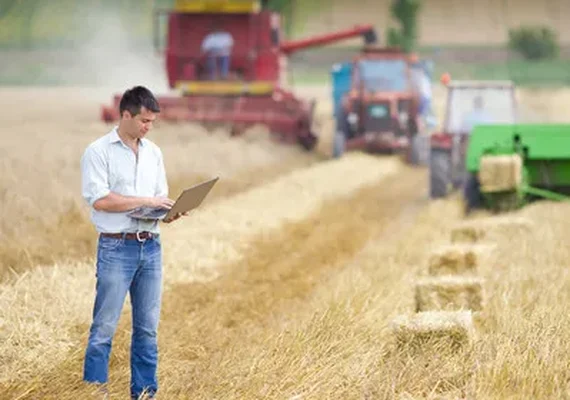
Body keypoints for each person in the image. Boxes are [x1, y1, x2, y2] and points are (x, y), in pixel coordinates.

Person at [80, 86, 186, 400]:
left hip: (150, 246)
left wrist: (169, 212)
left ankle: (144, 394)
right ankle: (95, 394)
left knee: (147, 329)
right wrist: (146, 200)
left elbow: (157, 199)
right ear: (125, 114)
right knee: (104, 328)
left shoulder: (154, 153)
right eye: (143, 120)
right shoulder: (98, 151)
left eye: (152, 122)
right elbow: (100, 200)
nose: (147, 127)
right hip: (116, 248)